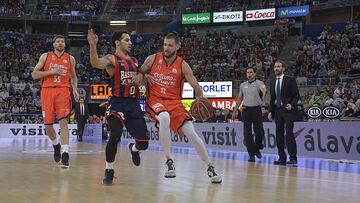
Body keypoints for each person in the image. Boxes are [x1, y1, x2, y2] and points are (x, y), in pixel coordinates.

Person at [139, 32, 222, 183]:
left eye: (170, 45)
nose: (167, 48)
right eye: (165, 44)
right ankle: (169, 161)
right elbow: (138, 73)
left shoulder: (183, 65)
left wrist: (200, 97)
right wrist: (144, 77)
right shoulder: (152, 59)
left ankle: (210, 167)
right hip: (155, 100)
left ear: (178, 46)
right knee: (164, 117)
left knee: (191, 132)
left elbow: (195, 84)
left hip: (175, 103)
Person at [87, 29, 149, 185]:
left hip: (133, 104)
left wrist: (142, 77)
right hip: (117, 102)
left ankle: (134, 149)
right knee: (115, 134)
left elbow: (142, 75)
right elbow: (95, 63)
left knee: (144, 143)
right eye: (127, 40)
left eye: (130, 40)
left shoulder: (134, 60)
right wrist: (93, 45)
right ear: (117, 42)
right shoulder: (111, 59)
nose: (130, 42)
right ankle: (109, 170)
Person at [31, 35, 80, 168]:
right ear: (53, 44)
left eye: (62, 41)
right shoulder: (45, 56)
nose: (60, 43)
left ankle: (65, 152)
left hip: (63, 91)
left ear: (65, 44)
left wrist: (75, 89)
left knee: (63, 121)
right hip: (47, 90)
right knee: (48, 125)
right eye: (57, 41)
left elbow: (74, 77)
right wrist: (51, 72)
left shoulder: (71, 58)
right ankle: (56, 145)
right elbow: (34, 74)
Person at [268, 60, 300, 166]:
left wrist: (292, 104)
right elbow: (272, 98)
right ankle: (282, 158)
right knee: (279, 135)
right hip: (277, 111)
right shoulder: (272, 81)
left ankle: (293, 158)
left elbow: (296, 95)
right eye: (275, 67)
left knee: (289, 134)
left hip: (288, 110)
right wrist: (270, 111)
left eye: (278, 66)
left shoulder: (290, 80)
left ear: (283, 68)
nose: (276, 68)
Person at [232, 67, 266, 162]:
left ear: (255, 73)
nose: (249, 74)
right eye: (247, 72)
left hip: (256, 109)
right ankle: (251, 154)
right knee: (247, 134)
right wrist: (235, 110)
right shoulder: (243, 85)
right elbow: (239, 98)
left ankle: (257, 148)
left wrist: (263, 93)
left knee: (259, 131)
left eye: (251, 72)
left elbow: (264, 89)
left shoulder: (259, 83)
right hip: (246, 110)